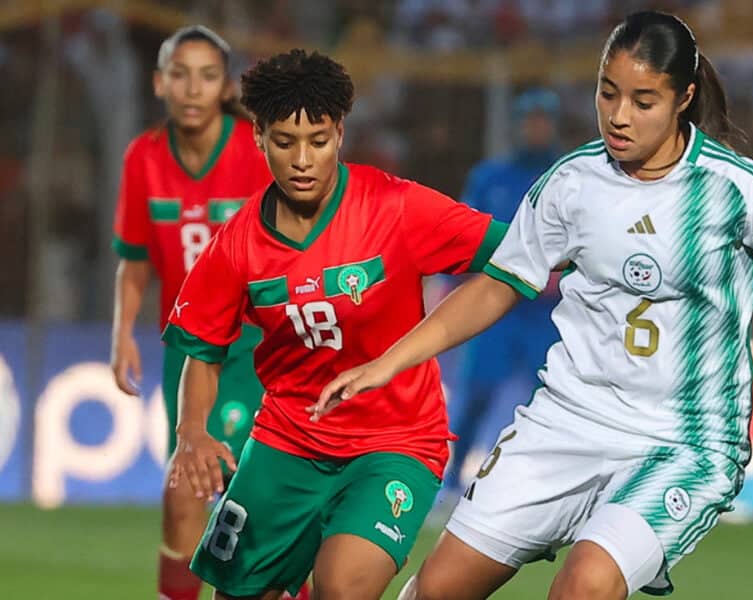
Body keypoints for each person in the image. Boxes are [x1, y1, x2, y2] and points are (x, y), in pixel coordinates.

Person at [317, 11, 753, 600]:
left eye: (643, 100)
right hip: (566, 422)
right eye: (608, 94)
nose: (619, 116)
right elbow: (499, 284)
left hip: (683, 442)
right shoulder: (571, 182)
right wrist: (391, 360)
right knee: (439, 588)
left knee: (584, 587)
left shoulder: (741, 190)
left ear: (684, 98)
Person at [164, 48, 506, 600]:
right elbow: (200, 350)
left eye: (318, 140)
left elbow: (515, 252)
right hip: (286, 442)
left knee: (342, 587)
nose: (303, 159)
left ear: (340, 132)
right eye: (284, 141)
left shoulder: (396, 206)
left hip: (396, 441)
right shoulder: (236, 246)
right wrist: (192, 432)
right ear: (258, 138)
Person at [108, 25, 286, 600]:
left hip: (256, 351)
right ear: (159, 83)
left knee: (257, 507)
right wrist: (122, 332)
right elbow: (134, 261)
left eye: (207, 76)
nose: (192, 88)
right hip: (186, 353)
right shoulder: (144, 158)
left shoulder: (255, 151)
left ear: (224, 86)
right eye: (180, 74)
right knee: (182, 501)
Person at [444, 88, 563, 495]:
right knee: (476, 392)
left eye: (543, 120)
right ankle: (452, 478)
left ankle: (549, 484)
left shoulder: (568, 176)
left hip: (547, 311)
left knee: (554, 396)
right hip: (498, 302)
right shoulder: (490, 176)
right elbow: (464, 234)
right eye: (530, 120)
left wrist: (562, 280)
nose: (536, 128)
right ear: (517, 125)